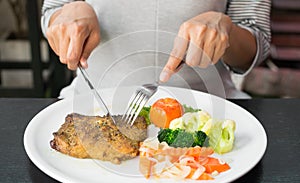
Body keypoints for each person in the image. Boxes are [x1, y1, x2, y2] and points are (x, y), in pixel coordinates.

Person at [41, 0, 271, 99]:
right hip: (94, 101)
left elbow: (255, 44)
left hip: (210, 106)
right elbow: (53, 10)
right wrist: (65, 16)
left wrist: (226, 31)